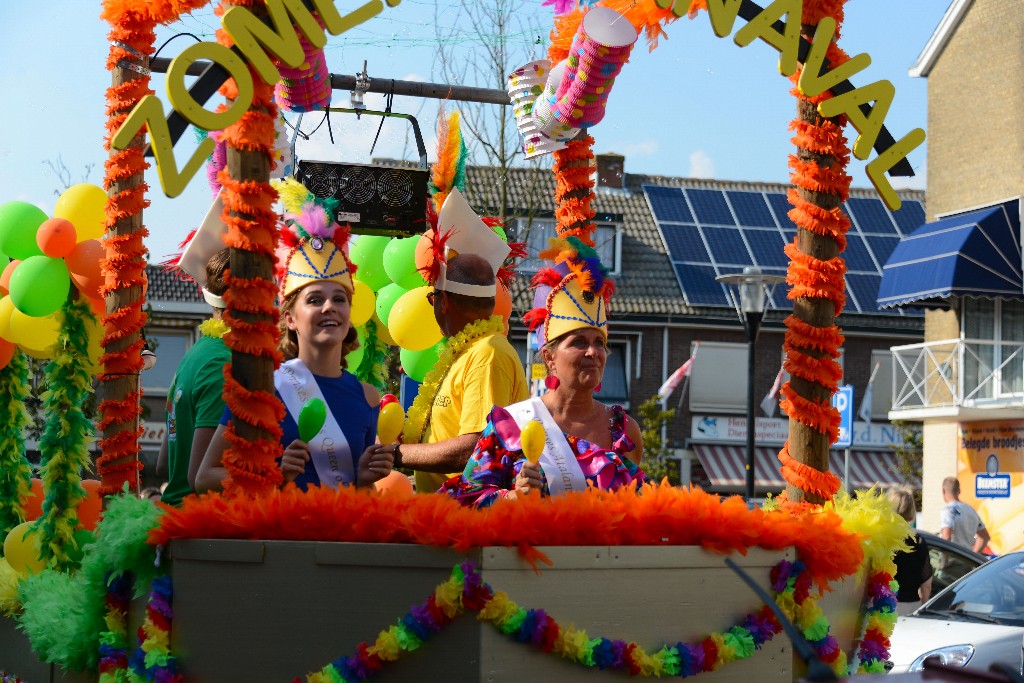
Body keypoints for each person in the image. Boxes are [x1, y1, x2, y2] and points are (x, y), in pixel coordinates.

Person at [195, 202, 392, 492]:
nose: (329, 307)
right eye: (314, 300)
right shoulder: (260, 389)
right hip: (276, 536)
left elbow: (358, 497)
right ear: (290, 318)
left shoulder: (368, 397)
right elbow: (204, 478)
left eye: (339, 299)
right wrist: (273, 476)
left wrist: (364, 481)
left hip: (334, 536)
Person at [442, 237, 645, 507]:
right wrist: (512, 498)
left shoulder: (625, 431)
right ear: (549, 357)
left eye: (599, 343)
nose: (593, 353)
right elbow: (460, 500)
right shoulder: (511, 424)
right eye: (578, 343)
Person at [368, 189, 528, 492]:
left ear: (443, 302)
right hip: (441, 515)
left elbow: (473, 449)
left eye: (431, 298)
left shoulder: (487, 354)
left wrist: (393, 454)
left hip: (466, 525)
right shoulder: (465, 352)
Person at [156, 239, 233, 506]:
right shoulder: (224, 363)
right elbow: (198, 477)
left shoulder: (195, 354)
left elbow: (164, 465)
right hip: (201, 529)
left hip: (176, 521)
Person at [888, 487, 933, 615]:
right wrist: (924, 610)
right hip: (910, 606)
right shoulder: (918, 541)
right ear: (911, 509)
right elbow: (926, 586)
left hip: (881, 606)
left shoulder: (881, 539)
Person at [939, 476, 990, 553]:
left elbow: (946, 536)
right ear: (959, 491)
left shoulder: (947, 510)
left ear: (943, 491)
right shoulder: (971, 510)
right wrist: (973, 555)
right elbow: (985, 537)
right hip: (967, 560)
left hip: (952, 560)